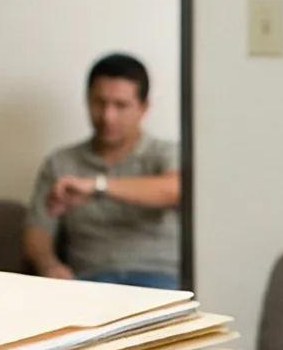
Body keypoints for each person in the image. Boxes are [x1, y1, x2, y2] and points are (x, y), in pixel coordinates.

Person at [23, 52, 183, 289]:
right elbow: (37, 229)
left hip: (160, 282)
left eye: (120, 105)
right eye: (100, 103)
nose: (108, 116)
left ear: (144, 107)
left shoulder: (166, 153)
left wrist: (98, 186)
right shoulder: (61, 163)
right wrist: (49, 265)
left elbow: (174, 189)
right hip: (90, 283)